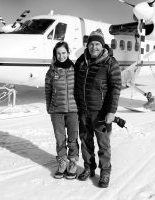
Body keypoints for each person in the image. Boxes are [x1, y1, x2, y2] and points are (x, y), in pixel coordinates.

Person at [74, 29, 122, 188]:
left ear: (102, 46)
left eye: (97, 44)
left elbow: (116, 88)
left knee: (103, 145)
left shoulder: (110, 63)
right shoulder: (81, 61)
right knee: (85, 142)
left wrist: (112, 111)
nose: (94, 47)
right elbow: (75, 85)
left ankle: (105, 172)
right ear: (87, 46)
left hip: (101, 113)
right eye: (91, 44)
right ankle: (89, 168)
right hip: (83, 111)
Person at [45, 41, 79, 179]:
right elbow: (48, 89)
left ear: (68, 53)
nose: (61, 56)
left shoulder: (75, 69)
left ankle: (73, 162)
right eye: (58, 53)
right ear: (55, 55)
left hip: (73, 110)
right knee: (60, 139)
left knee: (72, 139)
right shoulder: (51, 71)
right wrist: (49, 107)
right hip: (56, 110)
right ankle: (62, 162)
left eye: (63, 53)